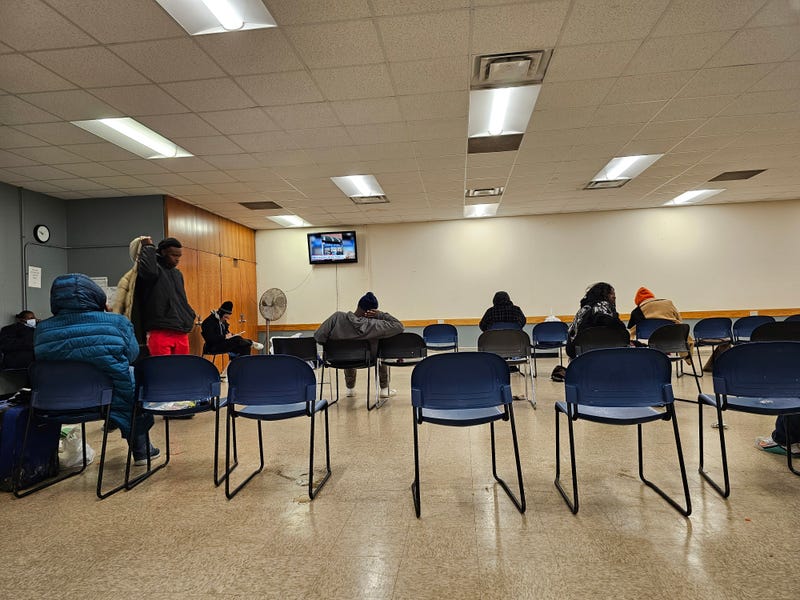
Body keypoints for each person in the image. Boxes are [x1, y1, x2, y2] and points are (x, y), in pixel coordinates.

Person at [34, 273, 158, 465]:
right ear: (96, 296)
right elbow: (131, 356)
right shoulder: (118, 322)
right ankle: (141, 450)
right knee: (132, 378)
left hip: (53, 402)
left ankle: (45, 461)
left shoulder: (42, 329)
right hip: (105, 399)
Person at [314, 292, 404, 398]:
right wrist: (380, 315)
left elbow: (318, 336)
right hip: (367, 359)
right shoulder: (375, 324)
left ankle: (350, 389)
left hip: (337, 358)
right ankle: (384, 389)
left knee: (347, 351)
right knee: (380, 349)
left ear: (358, 306)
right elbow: (399, 326)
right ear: (372, 311)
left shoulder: (336, 317)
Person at [136, 236, 196, 356]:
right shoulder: (154, 271)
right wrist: (148, 247)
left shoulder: (177, 274)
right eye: (174, 255)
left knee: (182, 367)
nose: (177, 259)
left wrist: (189, 314)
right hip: (160, 328)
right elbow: (148, 271)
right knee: (163, 368)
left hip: (180, 328)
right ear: (163, 253)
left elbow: (181, 299)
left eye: (179, 256)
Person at [566, 282, 627, 359]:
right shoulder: (604, 306)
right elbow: (616, 326)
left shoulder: (582, 310)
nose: (614, 297)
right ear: (603, 295)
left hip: (580, 356)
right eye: (611, 293)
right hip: (606, 354)